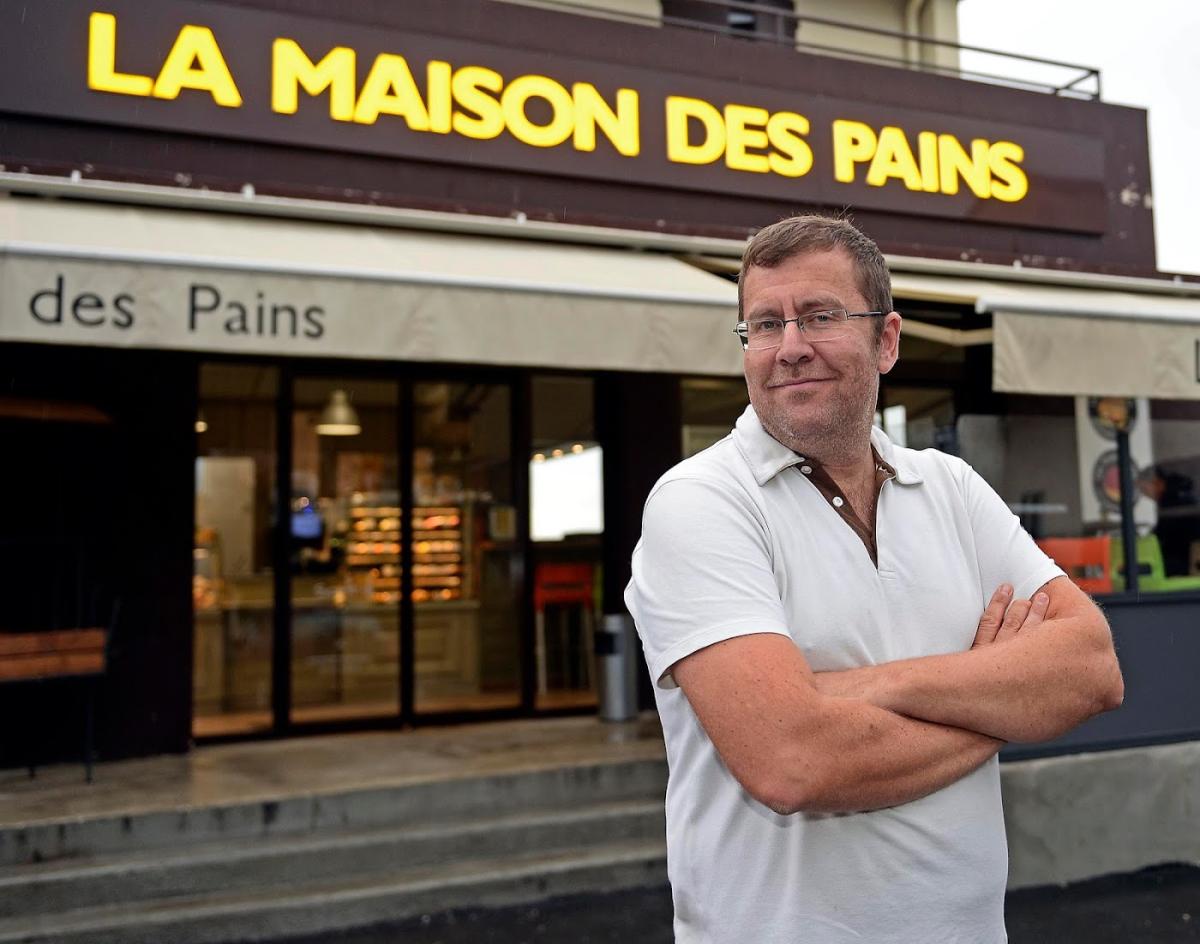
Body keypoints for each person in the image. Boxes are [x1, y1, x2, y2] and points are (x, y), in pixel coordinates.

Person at [624, 214, 1124, 944]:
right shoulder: (700, 502)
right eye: (764, 325)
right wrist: (997, 696)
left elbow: (1093, 669)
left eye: (820, 316)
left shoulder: (949, 486)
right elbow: (792, 762)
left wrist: (869, 690)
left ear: (886, 340)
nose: (789, 348)